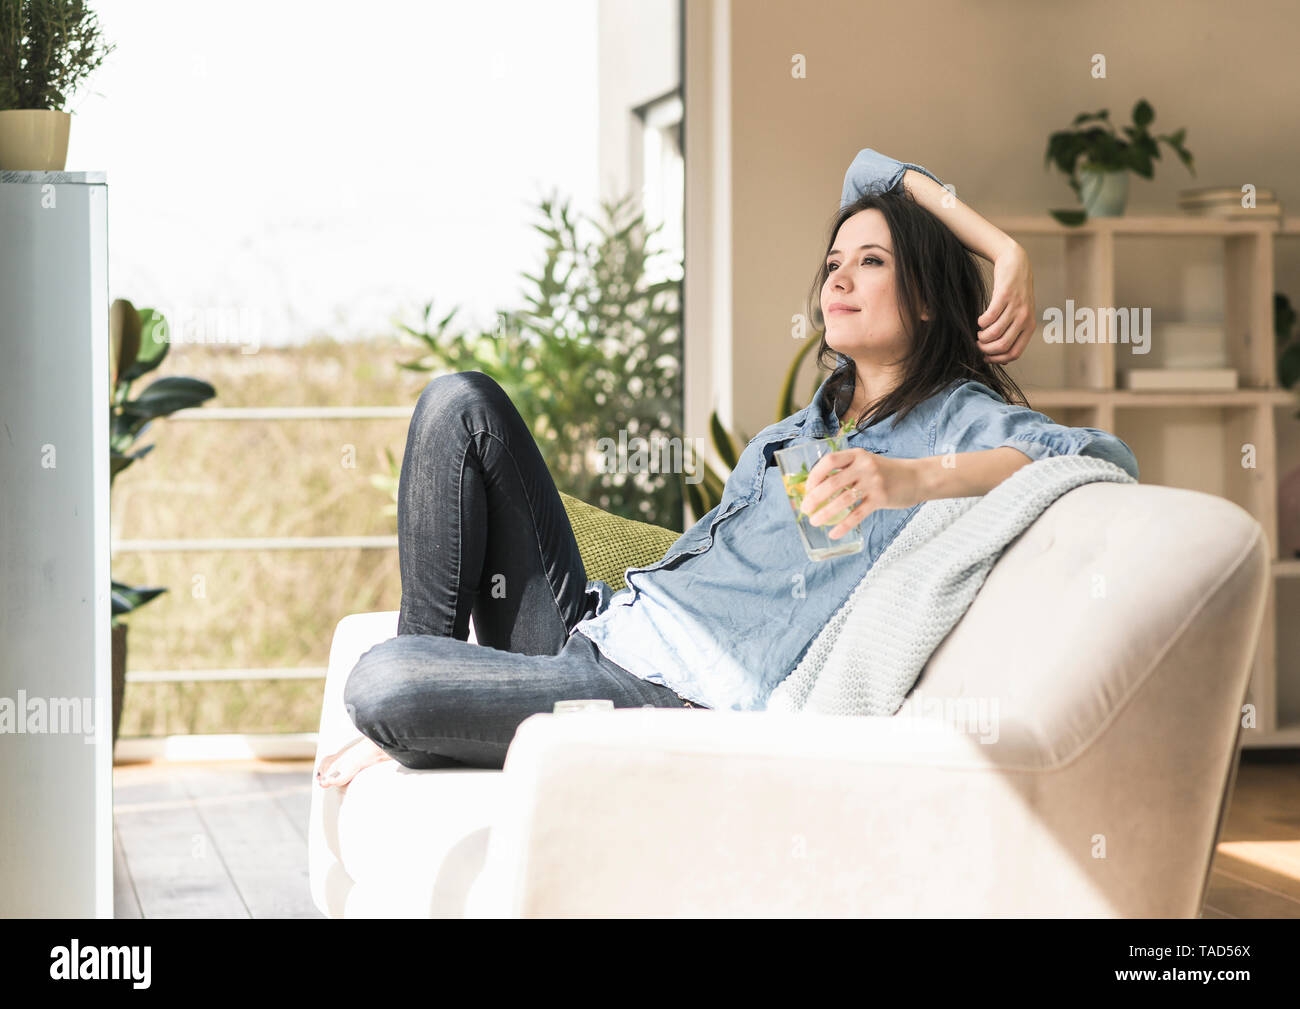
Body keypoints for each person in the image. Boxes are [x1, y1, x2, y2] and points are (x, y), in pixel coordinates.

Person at [316, 149, 1138, 787]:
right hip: (599, 627)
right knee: (461, 403)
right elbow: (866, 169)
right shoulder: (807, 424)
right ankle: (417, 711)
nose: (839, 277)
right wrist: (1004, 243)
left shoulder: (953, 417)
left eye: (874, 262)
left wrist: (911, 480)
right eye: (834, 262)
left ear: (926, 299)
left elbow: (1089, 458)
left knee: (382, 681)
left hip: (659, 693)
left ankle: (409, 714)